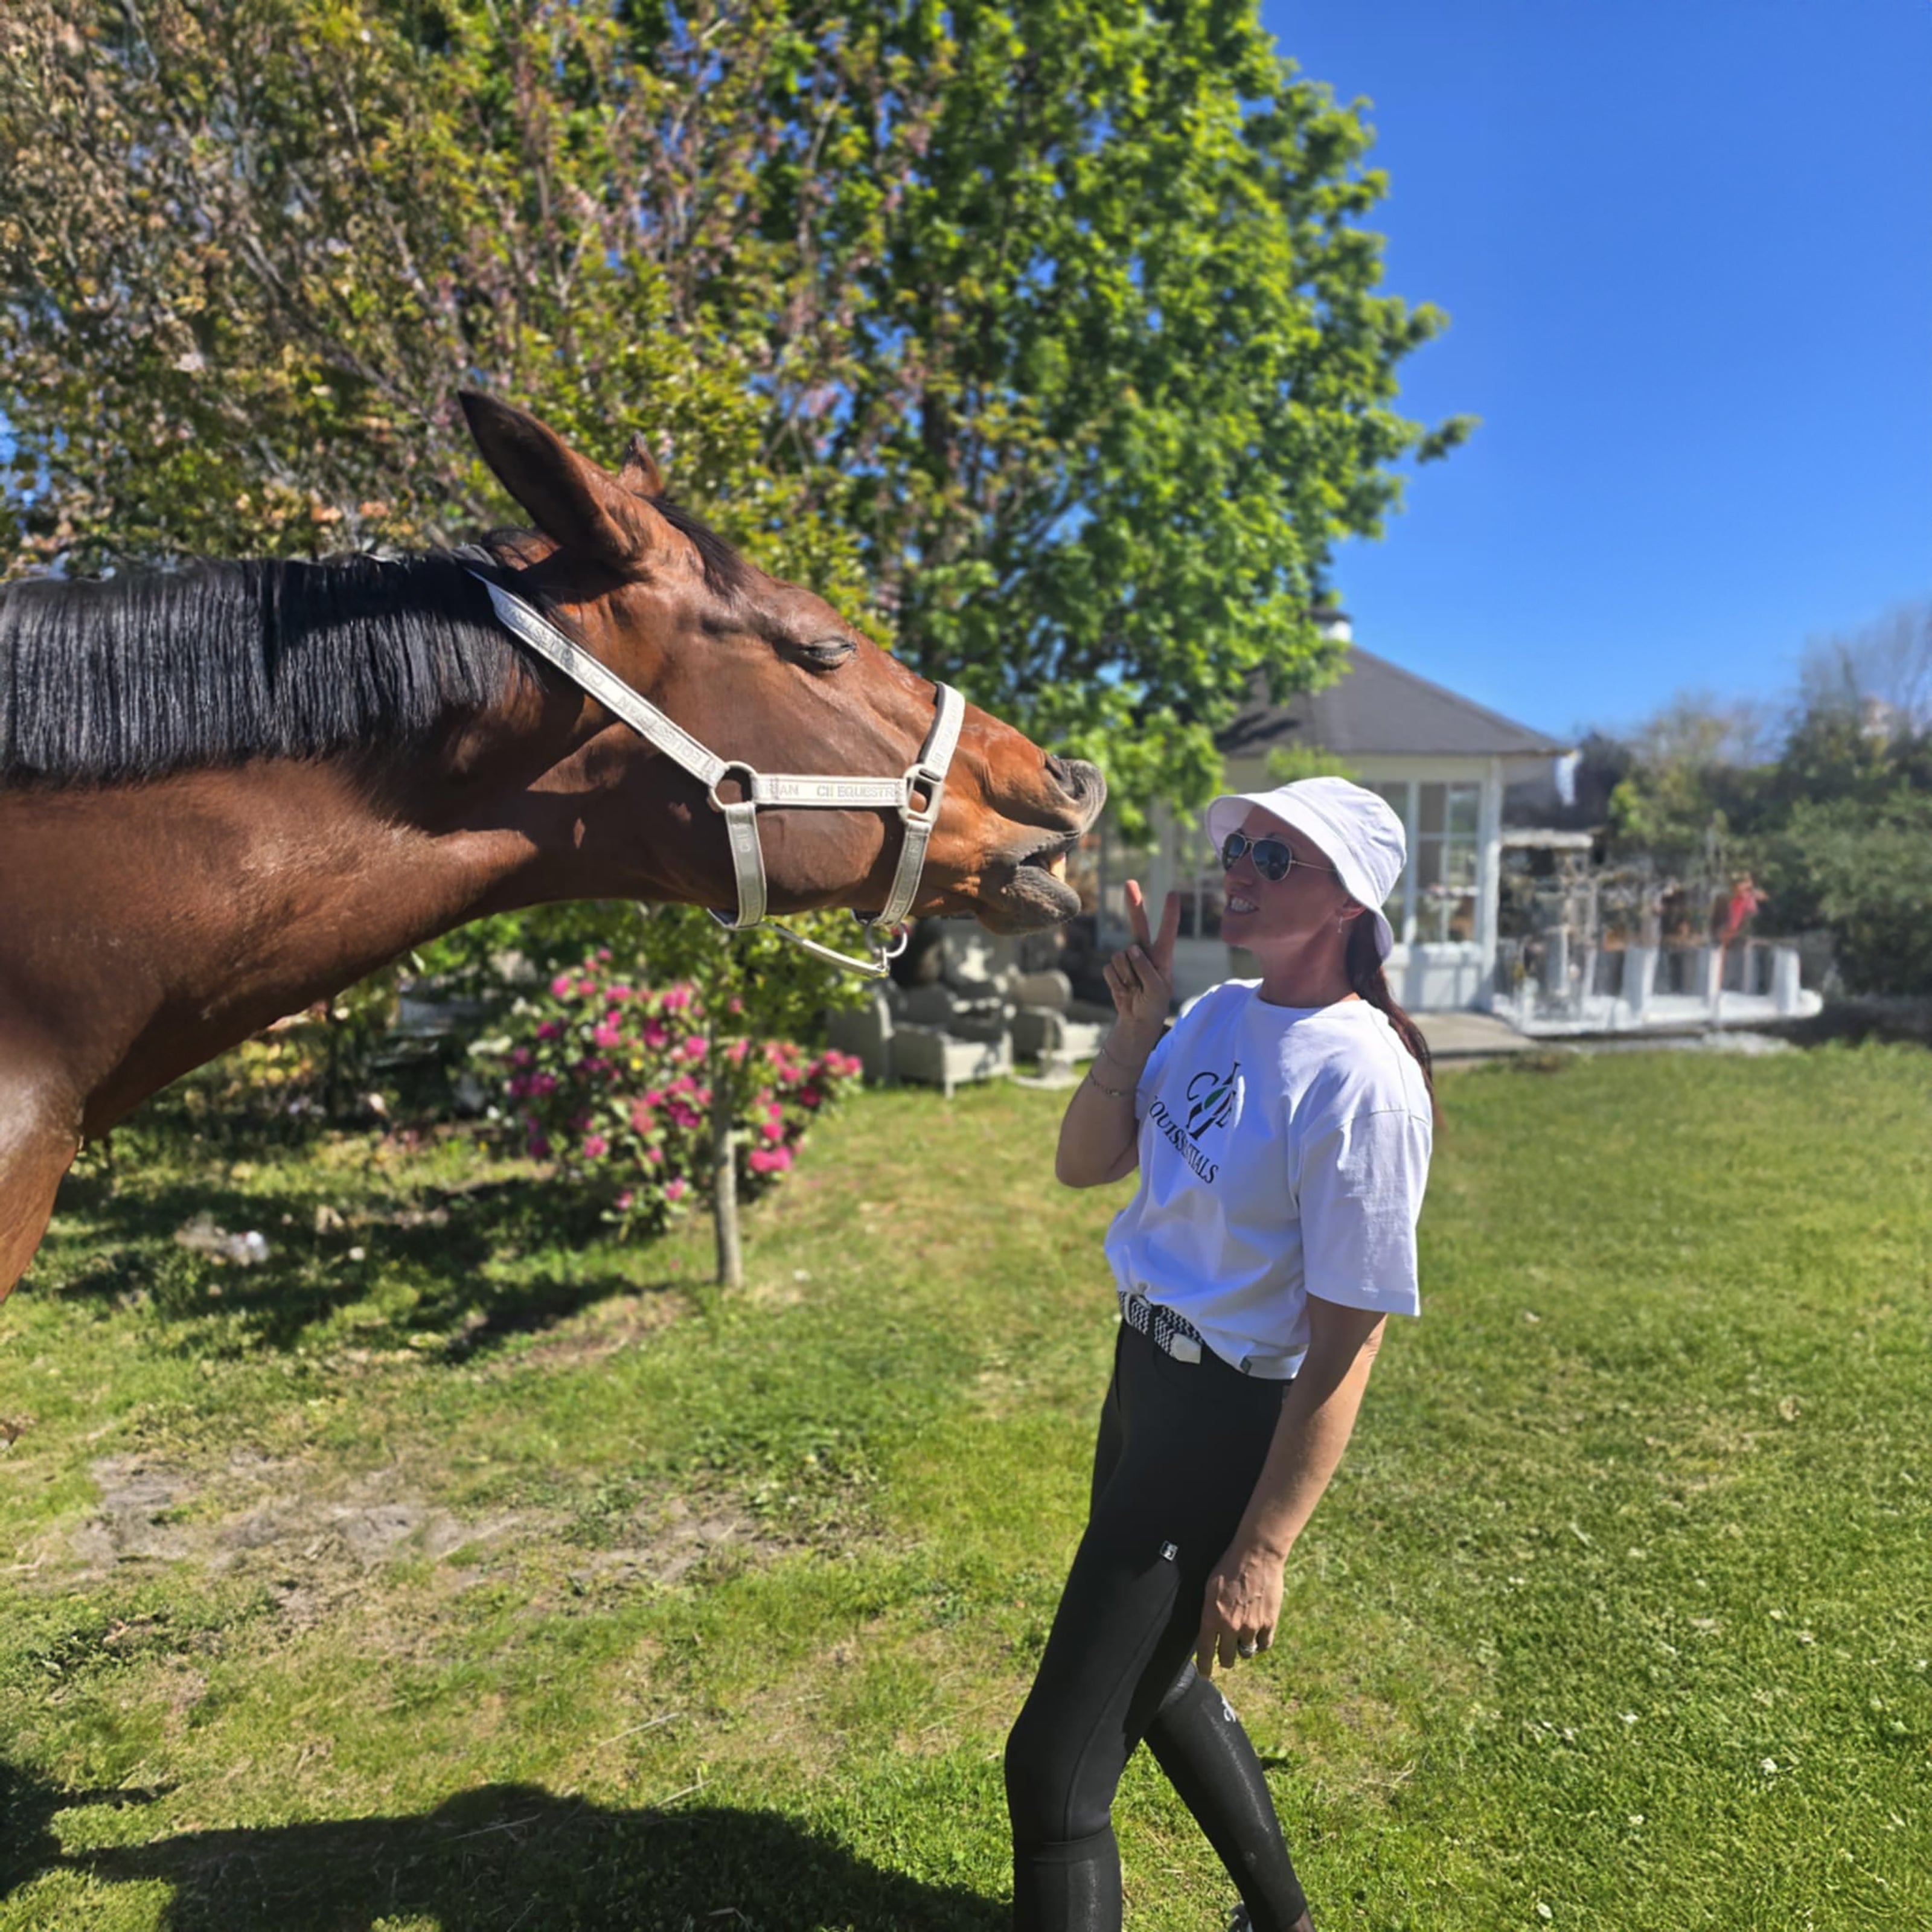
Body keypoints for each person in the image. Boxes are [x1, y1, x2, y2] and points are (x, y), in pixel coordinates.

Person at [1004, 776, 1435, 1932]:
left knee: (1053, 1776)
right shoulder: (1214, 1014)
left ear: (1350, 901)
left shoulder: (1363, 1081)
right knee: (1167, 1680)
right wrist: (1135, 1032)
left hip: (1221, 1426)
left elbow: (1348, 1344)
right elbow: (1085, 1162)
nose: (1238, 866)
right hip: (1141, 1381)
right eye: (1240, 845)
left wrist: (1263, 1547)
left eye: (1275, 858)